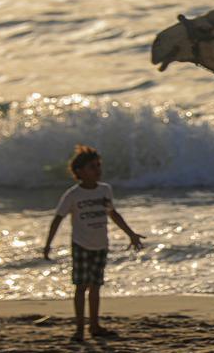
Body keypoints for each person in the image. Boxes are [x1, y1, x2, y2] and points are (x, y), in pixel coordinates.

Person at [43, 145, 145, 341]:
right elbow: (58, 218)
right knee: (81, 287)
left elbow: (113, 213)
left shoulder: (105, 190)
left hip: (100, 245)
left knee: (96, 287)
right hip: (81, 245)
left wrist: (131, 234)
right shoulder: (73, 194)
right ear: (79, 172)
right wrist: (48, 244)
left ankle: (95, 325)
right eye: (92, 167)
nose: (98, 170)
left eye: (99, 166)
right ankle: (80, 328)